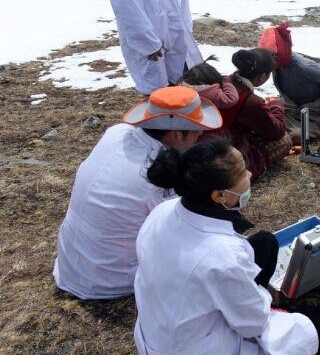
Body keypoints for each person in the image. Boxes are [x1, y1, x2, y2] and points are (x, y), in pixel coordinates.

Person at [134, 139, 320, 355]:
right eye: (242, 173)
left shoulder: (163, 211)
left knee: (265, 243)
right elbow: (253, 324)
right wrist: (260, 298)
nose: (249, 174)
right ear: (219, 195)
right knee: (319, 321)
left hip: (160, 336)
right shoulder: (222, 256)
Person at [53, 86, 221, 299]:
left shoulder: (116, 133)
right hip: (112, 279)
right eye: (197, 129)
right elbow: (185, 230)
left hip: (72, 264)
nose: (200, 134)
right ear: (176, 135)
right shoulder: (157, 174)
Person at [258, 21, 320, 142]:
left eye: (271, 55)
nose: (267, 60)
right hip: (291, 109)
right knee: (264, 123)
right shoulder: (277, 66)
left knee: (295, 136)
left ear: (281, 51)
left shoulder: (306, 69)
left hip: (312, 115)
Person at [228, 48, 292, 179]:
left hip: (213, 140)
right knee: (285, 140)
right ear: (262, 76)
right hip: (231, 151)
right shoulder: (251, 102)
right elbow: (276, 132)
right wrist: (276, 105)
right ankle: (248, 170)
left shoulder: (227, 81)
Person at [178, 57, 241, 131]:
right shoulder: (213, 93)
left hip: (188, 128)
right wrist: (225, 83)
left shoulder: (181, 89)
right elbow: (231, 98)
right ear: (214, 79)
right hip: (211, 129)